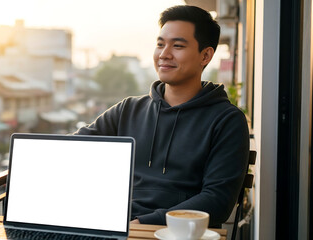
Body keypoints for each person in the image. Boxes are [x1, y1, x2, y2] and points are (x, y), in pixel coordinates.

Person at [73, 5, 249, 227]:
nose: (164, 54)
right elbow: (71, 151)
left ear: (205, 55)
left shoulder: (226, 120)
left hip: (176, 233)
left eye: (177, 46)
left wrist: (142, 223)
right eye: (160, 44)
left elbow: (217, 201)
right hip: (115, 226)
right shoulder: (128, 110)